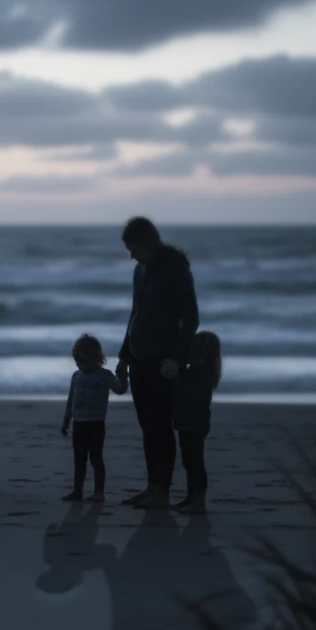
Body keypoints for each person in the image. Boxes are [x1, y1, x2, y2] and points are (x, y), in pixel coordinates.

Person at [115, 216, 199, 509]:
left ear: (147, 242)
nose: (131, 255)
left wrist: (178, 358)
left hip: (163, 360)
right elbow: (135, 313)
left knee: (161, 426)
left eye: (133, 247)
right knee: (147, 426)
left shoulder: (175, 269)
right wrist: (124, 354)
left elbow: (191, 317)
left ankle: (162, 490)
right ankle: (152, 486)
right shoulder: (140, 270)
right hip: (138, 357)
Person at [60, 333, 129, 502]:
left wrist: (123, 376)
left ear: (96, 357)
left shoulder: (104, 375)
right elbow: (71, 399)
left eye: (83, 361)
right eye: (77, 361)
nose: (80, 365)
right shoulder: (76, 376)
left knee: (96, 458)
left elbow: (120, 390)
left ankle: (99, 492)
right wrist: (66, 419)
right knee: (79, 459)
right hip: (79, 423)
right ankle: (77, 491)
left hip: (96, 424)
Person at [161, 330, 221, 513]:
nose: (189, 357)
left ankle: (199, 500)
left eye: (194, 354)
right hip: (187, 421)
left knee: (195, 461)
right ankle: (191, 496)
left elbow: (190, 395)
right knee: (188, 460)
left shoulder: (203, 375)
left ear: (206, 356)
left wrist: (175, 379)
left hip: (195, 423)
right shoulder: (193, 371)